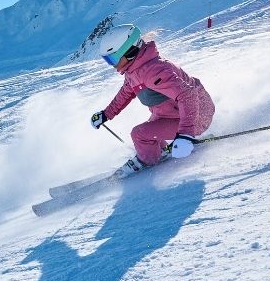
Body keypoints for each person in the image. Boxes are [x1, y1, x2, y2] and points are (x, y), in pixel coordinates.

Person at [90, 23, 215, 176]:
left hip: (196, 116)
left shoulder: (153, 71)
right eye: (109, 60)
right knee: (147, 132)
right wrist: (106, 114)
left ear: (130, 51)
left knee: (139, 134)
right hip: (171, 113)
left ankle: (147, 160)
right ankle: (158, 152)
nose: (113, 65)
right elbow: (125, 93)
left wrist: (186, 134)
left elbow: (187, 95)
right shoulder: (134, 70)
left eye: (114, 58)